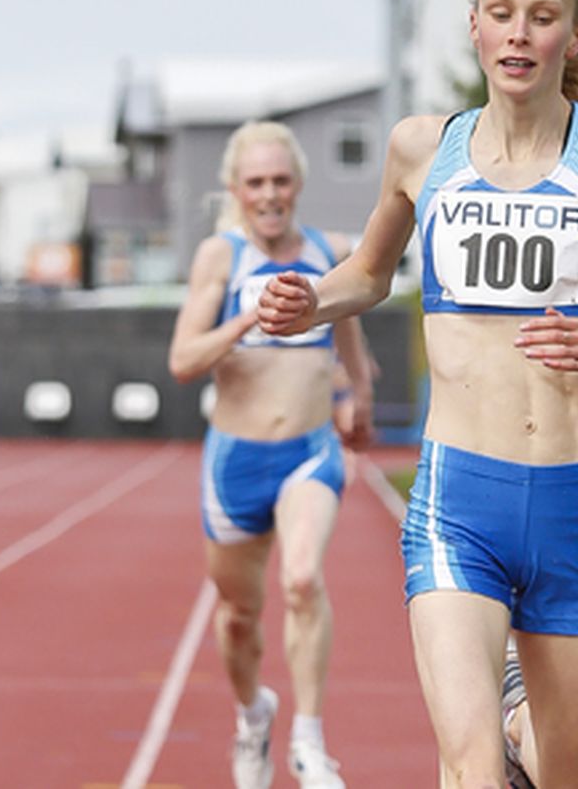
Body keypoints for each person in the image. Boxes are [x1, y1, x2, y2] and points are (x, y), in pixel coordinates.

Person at [258, 0, 578, 788]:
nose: (518, 32)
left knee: (565, 774)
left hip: (575, 499)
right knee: (466, 772)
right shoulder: (422, 149)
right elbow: (368, 271)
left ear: (572, 35)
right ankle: (495, 738)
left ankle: (521, 722)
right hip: (459, 496)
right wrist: (306, 299)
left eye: (541, 16)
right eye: (500, 12)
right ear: (473, 23)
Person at [167, 120, 376, 789]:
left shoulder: (328, 250)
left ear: (298, 184)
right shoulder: (219, 258)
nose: (269, 193)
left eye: (280, 179)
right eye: (255, 182)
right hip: (235, 462)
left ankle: (310, 742)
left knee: (303, 578)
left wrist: (359, 394)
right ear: (235, 188)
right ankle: (253, 713)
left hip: (309, 452)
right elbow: (181, 360)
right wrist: (247, 316)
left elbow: (349, 331)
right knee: (239, 616)